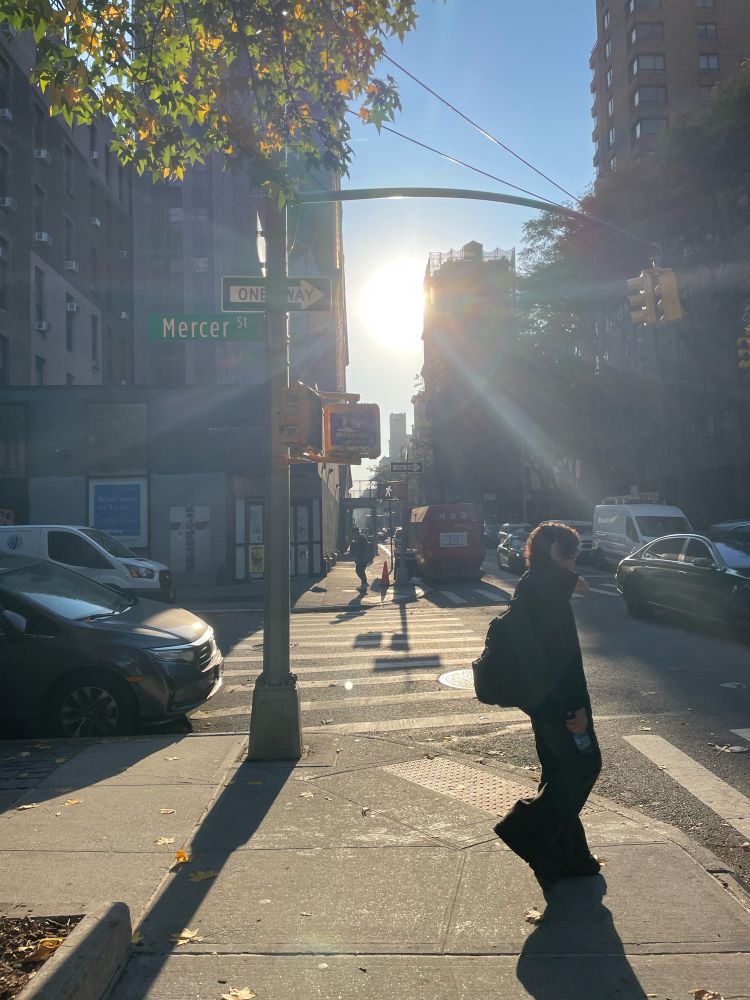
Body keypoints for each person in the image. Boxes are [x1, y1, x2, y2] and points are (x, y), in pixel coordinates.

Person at [493, 521, 602, 882]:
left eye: (576, 553)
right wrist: (577, 710)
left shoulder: (532, 585)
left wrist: (567, 580)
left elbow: (546, 586)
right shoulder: (544, 591)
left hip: (541, 701)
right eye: (568, 553)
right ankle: (524, 828)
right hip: (560, 703)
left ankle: (571, 857)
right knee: (584, 766)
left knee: (558, 771)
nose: (573, 561)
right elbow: (562, 659)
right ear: (551, 553)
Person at [348, 526, 372, 591]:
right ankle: (364, 584)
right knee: (360, 570)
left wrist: (352, 544)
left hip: (362, 558)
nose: (352, 535)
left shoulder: (360, 538)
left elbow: (359, 549)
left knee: (359, 570)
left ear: (355, 532)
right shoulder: (360, 537)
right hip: (362, 558)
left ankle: (364, 583)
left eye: (352, 533)